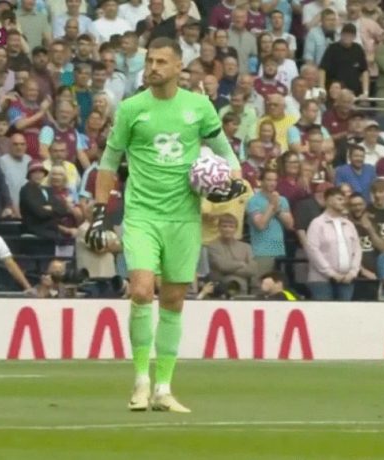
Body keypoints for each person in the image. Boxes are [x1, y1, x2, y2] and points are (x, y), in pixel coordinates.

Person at [83, 37, 245, 413]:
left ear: (178, 67)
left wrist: (235, 181)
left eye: (161, 61)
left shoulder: (198, 106)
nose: (153, 67)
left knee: (173, 300)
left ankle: (163, 388)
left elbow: (224, 150)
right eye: (149, 60)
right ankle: (140, 381)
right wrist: (99, 210)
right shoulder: (131, 108)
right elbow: (109, 161)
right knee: (141, 290)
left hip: (184, 218)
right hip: (142, 215)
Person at [305, 187, 361, 300]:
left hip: (346, 279)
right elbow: (313, 251)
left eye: (344, 199)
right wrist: (331, 273)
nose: (343, 202)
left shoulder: (349, 224)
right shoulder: (317, 224)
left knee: (344, 315)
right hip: (321, 281)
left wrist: (353, 272)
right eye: (339, 199)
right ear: (329, 200)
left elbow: (357, 250)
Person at [206, 213, 258, 294]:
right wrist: (241, 264)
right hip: (219, 284)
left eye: (231, 227)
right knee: (234, 282)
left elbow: (252, 269)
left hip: (242, 282)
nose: (227, 229)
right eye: (224, 226)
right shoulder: (213, 246)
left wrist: (230, 268)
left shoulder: (246, 247)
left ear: (236, 229)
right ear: (219, 228)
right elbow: (222, 266)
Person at [319, 23, 369, 98]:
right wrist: (322, 88)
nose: (347, 37)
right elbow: (322, 69)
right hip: (335, 93)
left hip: (354, 93)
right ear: (341, 35)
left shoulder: (358, 49)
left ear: (354, 37)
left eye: (350, 35)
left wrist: (365, 92)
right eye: (345, 34)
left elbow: (364, 71)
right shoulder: (332, 48)